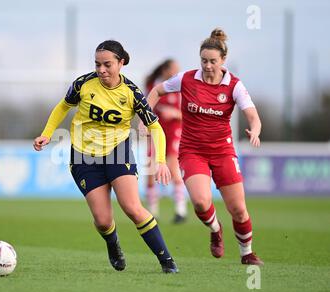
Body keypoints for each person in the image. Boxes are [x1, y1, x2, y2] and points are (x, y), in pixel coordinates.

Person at [33, 40, 178, 273]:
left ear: (121, 63)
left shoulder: (132, 93)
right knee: (102, 220)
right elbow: (63, 106)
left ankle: (167, 261)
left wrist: (160, 161)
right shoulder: (83, 84)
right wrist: (47, 134)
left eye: (107, 64)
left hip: (117, 151)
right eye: (97, 64)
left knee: (132, 207)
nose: (101, 70)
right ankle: (113, 244)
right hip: (83, 156)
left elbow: (155, 127)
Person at [147, 28, 264, 265]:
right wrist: (146, 118)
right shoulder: (187, 78)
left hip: (223, 151)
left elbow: (253, 115)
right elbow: (156, 91)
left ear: (223, 61)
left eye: (212, 61)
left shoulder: (234, 86)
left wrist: (256, 130)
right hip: (192, 151)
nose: (208, 66)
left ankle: (247, 254)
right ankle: (215, 228)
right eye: (203, 60)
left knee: (239, 209)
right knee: (201, 202)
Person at [144, 59, 188, 224]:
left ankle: (180, 210)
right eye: (175, 69)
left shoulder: (180, 88)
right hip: (155, 133)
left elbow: (190, 114)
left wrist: (175, 114)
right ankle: (152, 213)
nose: (177, 72)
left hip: (174, 131)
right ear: (165, 70)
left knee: (174, 168)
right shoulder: (152, 87)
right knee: (150, 171)